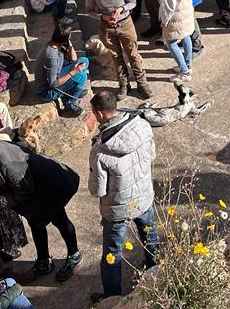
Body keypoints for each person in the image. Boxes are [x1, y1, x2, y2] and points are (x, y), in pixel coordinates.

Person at [0, 137, 81, 282]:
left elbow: (25, 191)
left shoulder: (8, 163)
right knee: (36, 223)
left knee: (59, 219)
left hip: (51, 185)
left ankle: (74, 254)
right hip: (34, 189)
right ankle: (44, 261)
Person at [87, 91, 158, 303]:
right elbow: (152, 155)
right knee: (150, 241)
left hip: (118, 208)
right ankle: (156, 278)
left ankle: (112, 297)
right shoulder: (142, 126)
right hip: (144, 197)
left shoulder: (99, 151)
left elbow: (97, 190)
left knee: (112, 254)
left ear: (99, 114)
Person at [85, 0, 148, 100]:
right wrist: (103, 17)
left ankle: (142, 84)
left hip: (125, 24)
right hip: (106, 28)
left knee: (133, 55)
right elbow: (89, 11)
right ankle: (124, 85)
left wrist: (121, 9)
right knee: (116, 57)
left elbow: (133, 2)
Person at [158, 0, 198, 80]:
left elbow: (169, 3)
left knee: (170, 42)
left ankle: (184, 71)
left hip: (175, 14)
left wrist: (164, 19)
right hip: (186, 9)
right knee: (186, 36)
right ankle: (188, 65)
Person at [36, 22, 90, 116]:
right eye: (69, 36)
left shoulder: (55, 43)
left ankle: (73, 90)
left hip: (57, 73)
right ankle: (70, 103)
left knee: (84, 61)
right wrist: (74, 71)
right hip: (47, 91)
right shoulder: (51, 56)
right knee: (82, 76)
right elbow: (53, 84)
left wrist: (70, 44)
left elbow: (74, 60)